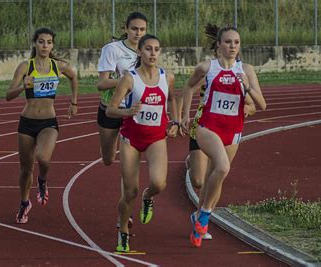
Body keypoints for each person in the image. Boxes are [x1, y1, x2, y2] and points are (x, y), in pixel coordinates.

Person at [179, 25, 267, 248]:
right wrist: (185, 117)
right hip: (208, 127)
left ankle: (198, 218)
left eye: (236, 42)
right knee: (223, 167)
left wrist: (247, 88)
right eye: (228, 42)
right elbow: (188, 87)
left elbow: (262, 105)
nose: (232, 46)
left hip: (233, 131)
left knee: (215, 176)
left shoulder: (246, 70)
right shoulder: (207, 67)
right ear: (218, 45)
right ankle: (206, 216)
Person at [106, 34, 179, 252]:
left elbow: (173, 98)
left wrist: (174, 121)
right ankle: (123, 232)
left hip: (156, 138)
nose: (153, 53)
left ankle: (148, 197)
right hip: (131, 139)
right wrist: (127, 111)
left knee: (159, 184)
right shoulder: (129, 78)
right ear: (140, 52)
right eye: (148, 49)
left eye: (157, 49)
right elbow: (111, 109)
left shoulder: (168, 77)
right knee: (129, 192)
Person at [6, 27, 78, 224]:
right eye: (41, 42)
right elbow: (8, 95)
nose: (45, 45)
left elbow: (74, 76)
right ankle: (24, 203)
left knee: (43, 158)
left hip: (48, 122)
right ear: (35, 44)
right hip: (27, 122)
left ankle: (43, 180)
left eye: (48, 42)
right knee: (25, 168)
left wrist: (74, 102)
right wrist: (24, 85)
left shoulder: (58, 66)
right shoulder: (25, 67)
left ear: (52, 45)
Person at [97, 11, 148, 229]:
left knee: (127, 168)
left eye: (142, 29)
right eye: (134, 28)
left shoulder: (148, 50)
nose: (138, 33)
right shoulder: (112, 49)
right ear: (126, 28)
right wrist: (127, 80)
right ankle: (115, 149)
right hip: (110, 109)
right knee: (108, 159)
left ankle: (124, 212)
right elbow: (101, 83)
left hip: (134, 113)